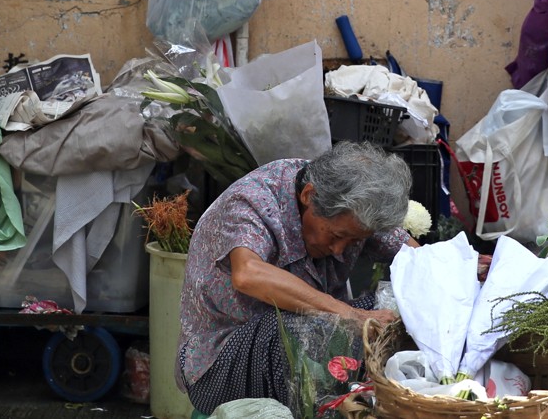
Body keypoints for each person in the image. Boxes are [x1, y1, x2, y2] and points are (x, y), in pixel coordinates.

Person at [176, 141, 414, 414]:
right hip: (220, 367)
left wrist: (461, 268)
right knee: (290, 327)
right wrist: (348, 314)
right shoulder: (253, 200)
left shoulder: (353, 206)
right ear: (309, 197)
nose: (339, 249)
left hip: (310, 343)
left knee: (392, 307)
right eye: (336, 236)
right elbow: (248, 274)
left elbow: (415, 259)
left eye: (353, 241)